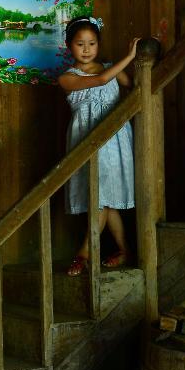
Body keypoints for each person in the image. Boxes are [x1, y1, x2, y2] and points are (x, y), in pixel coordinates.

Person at [58, 16, 139, 276]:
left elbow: (132, 84)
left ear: (98, 44)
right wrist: (129, 56)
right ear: (69, 46)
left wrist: (135, 59)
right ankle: (117, 250)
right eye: (80, 43)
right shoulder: (67, 78)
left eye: (91, 43)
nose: (86, 49)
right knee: (100, 196)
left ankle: (87, 251)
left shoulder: (112, 68)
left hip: (114, 138)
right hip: (86, 136)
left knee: (106, 197)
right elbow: (103, 80)